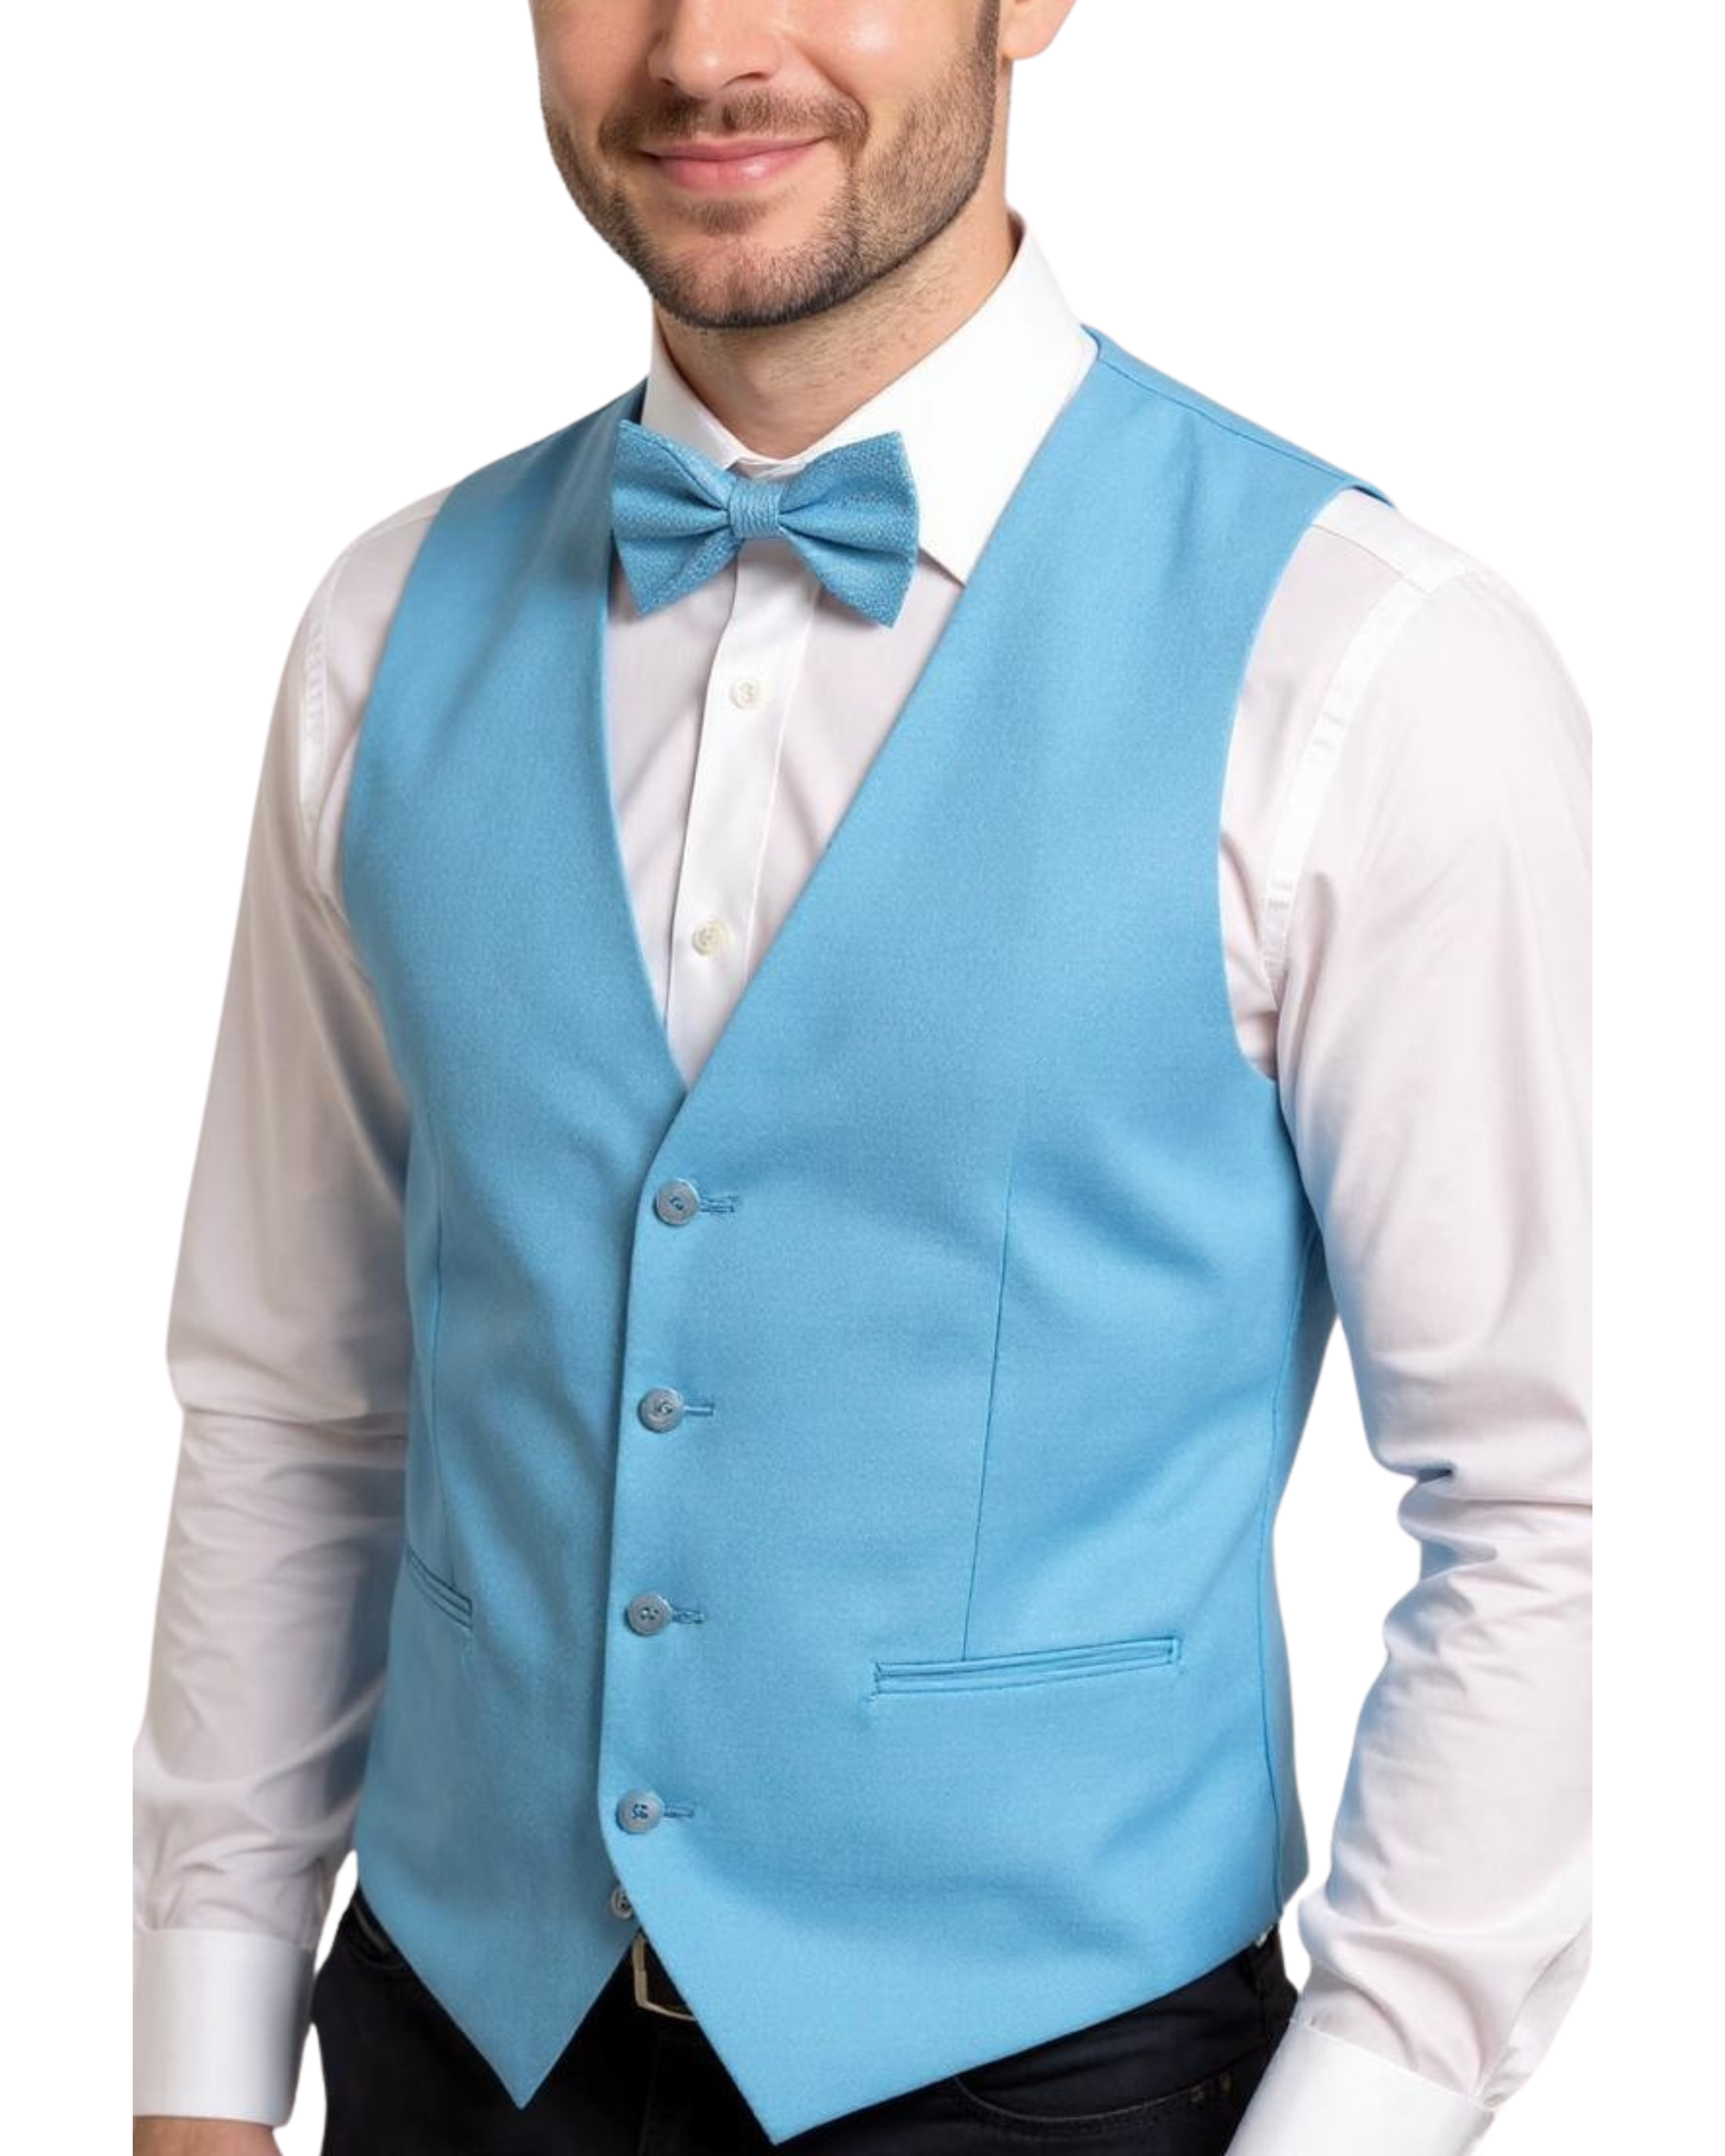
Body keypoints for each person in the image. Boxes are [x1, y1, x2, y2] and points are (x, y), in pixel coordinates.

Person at [131, 3, 1592, 2152]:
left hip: (1057, 2080)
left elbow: (1538, 1498)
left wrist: (1363, 2102)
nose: (706, 44)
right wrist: (200, 2062)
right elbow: (297, 1398)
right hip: (452, 2042)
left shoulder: (1367, 664)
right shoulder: (382, 626)